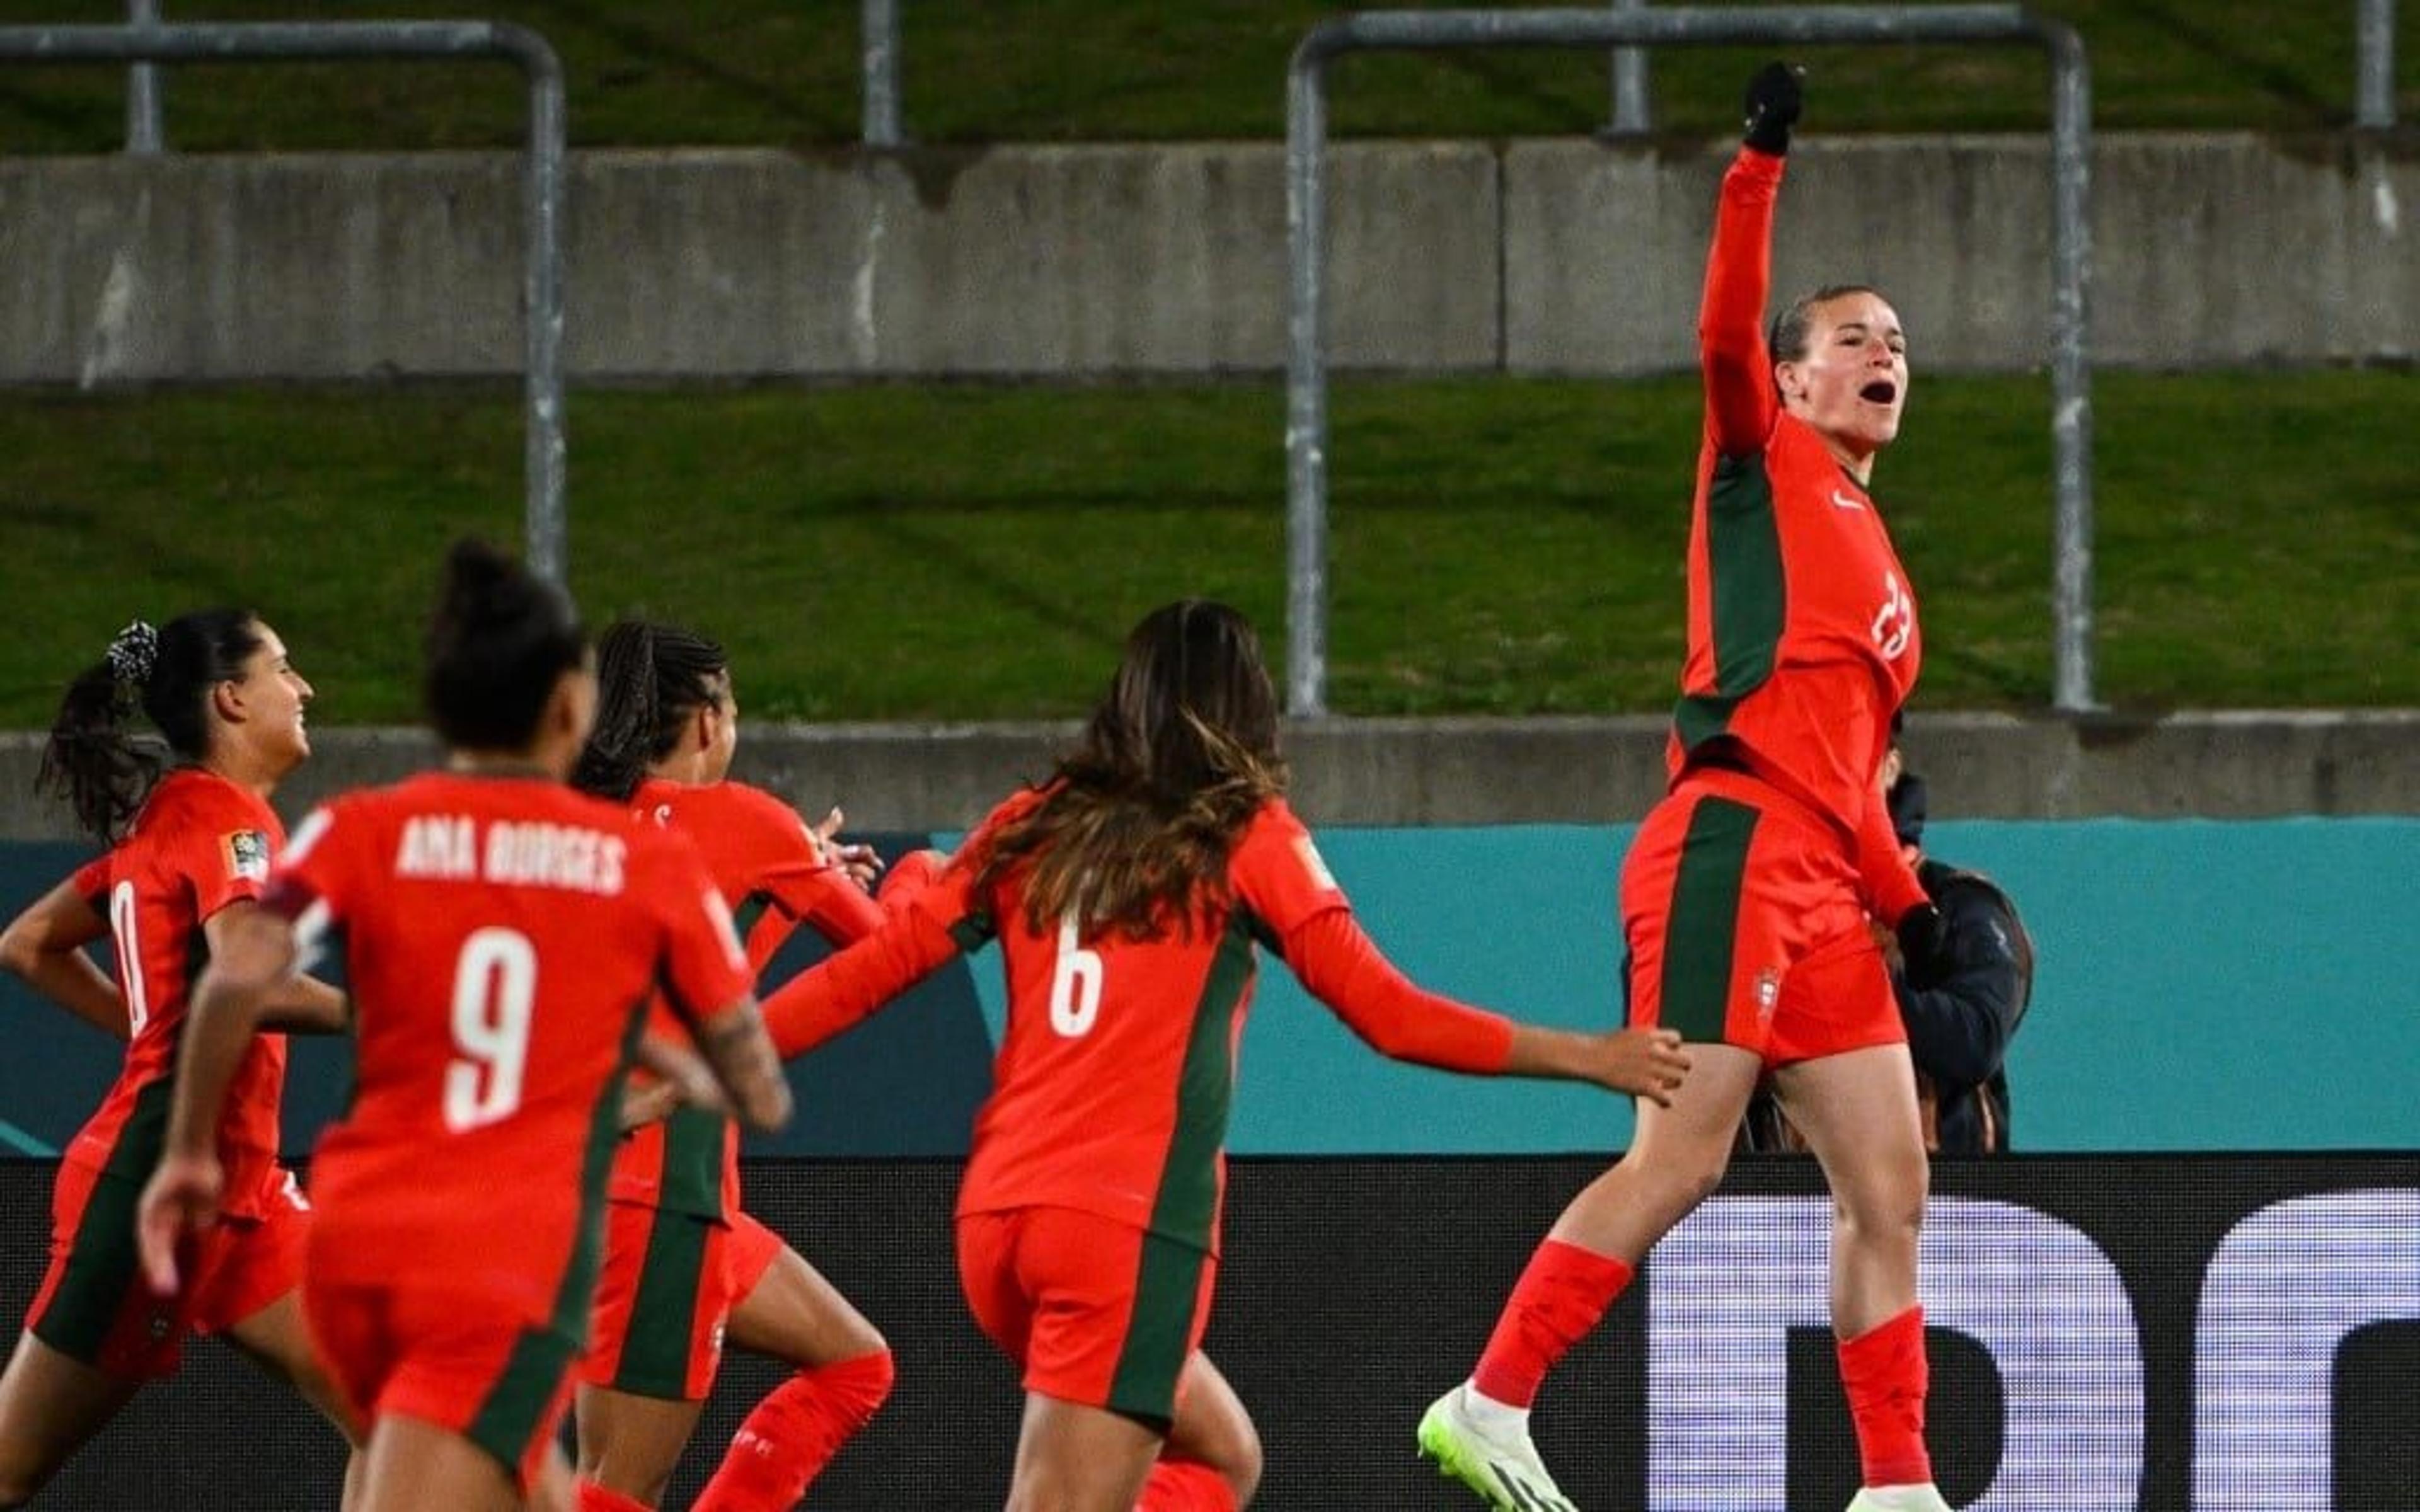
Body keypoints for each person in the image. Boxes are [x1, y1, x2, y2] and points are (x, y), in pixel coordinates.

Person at [754, 598, 1693, 1512]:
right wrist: (1590, 1056)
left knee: (1219, 1454)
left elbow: (867, 973)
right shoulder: (1244, 835)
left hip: (997, 1225)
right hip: (1123, 1230)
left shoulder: (1036, 822)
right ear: (1248, 708)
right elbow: (1388, 1014)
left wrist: (718, 1056)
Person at [1415, 64, 1959, 1512]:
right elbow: (1722, 321)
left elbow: (1847, 773)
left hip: (1825, 881)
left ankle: (1897, 1486)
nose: (1883, 354)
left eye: (1897, 340)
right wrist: (1758, 163)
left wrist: (1910, 906)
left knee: (1892, 1185)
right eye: (1854, 338)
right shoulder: (1759, 454)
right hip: (1730, 843)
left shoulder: (1877, 550)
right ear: (1790, 379)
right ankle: (1489, 1400)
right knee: (1682, 1159)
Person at [134, 540, 794, 1512]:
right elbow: (750, 1069)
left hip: (362, 1229)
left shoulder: (365, 827)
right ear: (570, 711)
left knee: (496, 1477)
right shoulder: (635, 866)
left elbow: (235, 978)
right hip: (501, 1248)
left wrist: (188, 1152)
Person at [0, 609, 364, 1505]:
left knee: (399, 1413)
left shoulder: (176, 814)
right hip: (151, 1189)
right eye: (285, 667)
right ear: (232, 699)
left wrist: (157, 1024)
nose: (304, 687)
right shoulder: (225, 820)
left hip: (239, 1200)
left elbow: (28, 942)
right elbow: (253, 983)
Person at [567, 621, 894, 1512]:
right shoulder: (752, 823)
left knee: (854, 1362)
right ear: (707, 723)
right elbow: (891, 948)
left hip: (609, 1186)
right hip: (663, 1195)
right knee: (620, 1489)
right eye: (735, 704)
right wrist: (825, 874)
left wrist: (791, 878)